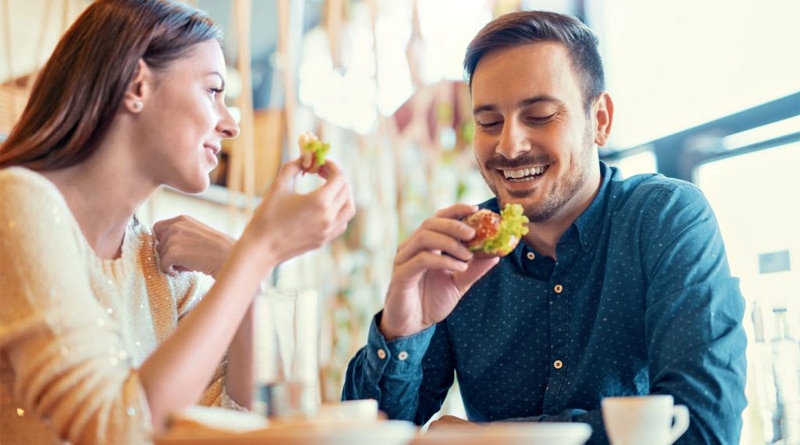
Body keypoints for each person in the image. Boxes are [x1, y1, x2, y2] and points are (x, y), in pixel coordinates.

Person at [342, 10, 746, 445]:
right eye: (489, 122)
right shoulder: (458, 252)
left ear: (601, 120)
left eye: (539, 115)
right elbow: (368, 437)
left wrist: (490, 439)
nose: (509, 145)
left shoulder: (664, 219)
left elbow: (704, 427)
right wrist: (403, 329)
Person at [0, 0, 355, 444]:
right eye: (213, 91)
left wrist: (243, 275)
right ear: (137, 86)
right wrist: (256, 252)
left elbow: (231, 427)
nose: (232, 126)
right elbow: (116, 429)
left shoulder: (160, 266)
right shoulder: (17, 203)